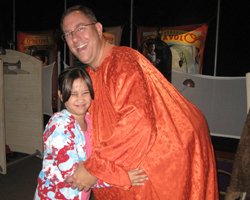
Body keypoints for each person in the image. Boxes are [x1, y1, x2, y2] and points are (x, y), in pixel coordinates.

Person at [61, 5, 219, 200]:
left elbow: (138, 123)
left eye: (81, 28)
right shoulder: (92, 74)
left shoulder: (121, 62)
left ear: (99, 29)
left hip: (164, 158)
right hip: (136, 155)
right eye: (68, 34)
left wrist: (94, 168)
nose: (75, 38)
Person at [34, 67, 148, 200]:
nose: (80, 99)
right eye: (73, 94)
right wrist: (122, 178)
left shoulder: (91, 120)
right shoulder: (58, 127)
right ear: (61, 95)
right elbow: (76, 177)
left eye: (85, 92)